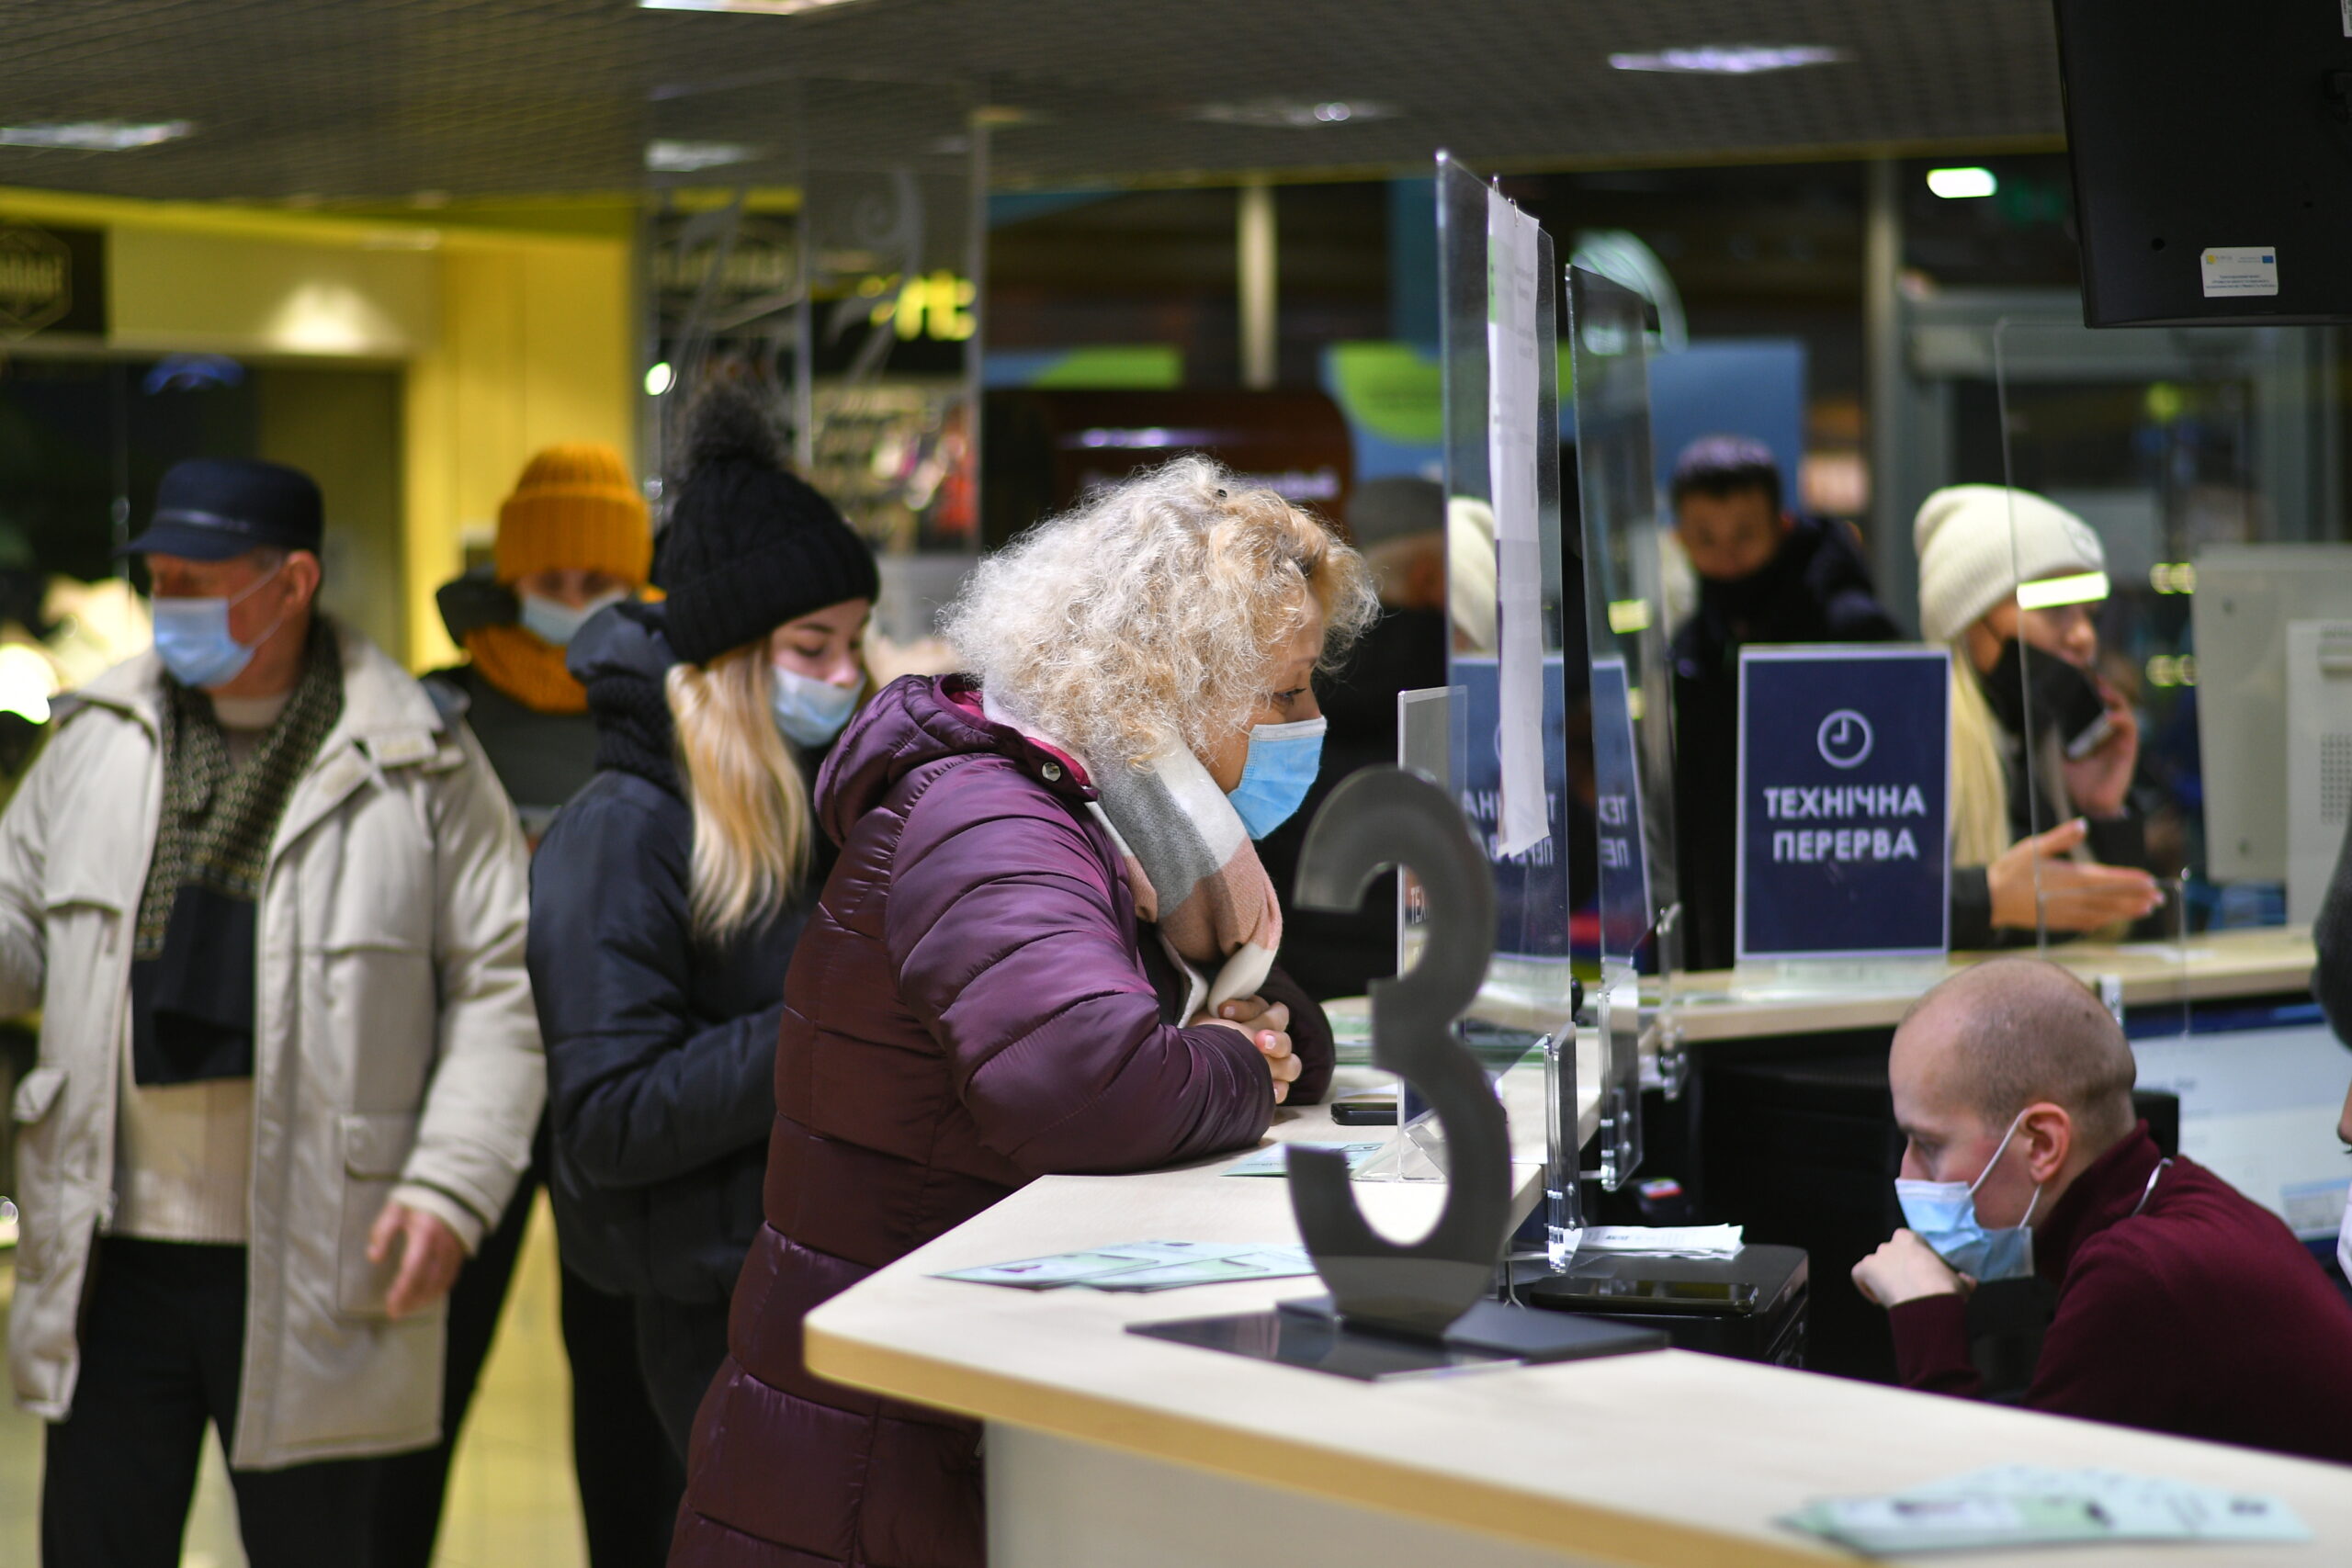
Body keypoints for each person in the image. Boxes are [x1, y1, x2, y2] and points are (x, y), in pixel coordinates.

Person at [669, 456, 1367, 1567]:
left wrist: (1259, 1044)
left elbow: (1243, 1013)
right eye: (1281, 694)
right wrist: (1241, 1063)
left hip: (933, 1413)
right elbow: (1088, 1082)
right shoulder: (991, 818)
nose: (1310, 720)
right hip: (875, 1455)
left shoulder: (1113, 820)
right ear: (1164, 682)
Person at [0, 457, 541, 1567]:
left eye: (194, 582)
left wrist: (451, 1184)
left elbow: (503, 987)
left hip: (323, 1254)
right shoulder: (97, 739)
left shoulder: (420, 762)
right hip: (109, 1258)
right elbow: (18, 934)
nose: (167, 605)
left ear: (291, 583)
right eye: (158, 578)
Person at [528, 383, 876, 1461]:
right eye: (811, 647)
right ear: (730, 661)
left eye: (856, 641)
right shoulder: (622, 829)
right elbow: (611, 1115)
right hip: (706, 1306)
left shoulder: (825, 794)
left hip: (829, 1270)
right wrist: (834, 1017)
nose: (845, 676)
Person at [376, 446, 677, 1568]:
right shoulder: (431, 715)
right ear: (510, 580)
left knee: (627, 1380)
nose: (577, 602)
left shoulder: (675, 708)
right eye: (554, 580)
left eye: (603, 581)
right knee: (423, 1368)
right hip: (460, 1072)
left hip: (628, 1072)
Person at [1853, 958, 2352, 1463]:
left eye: (1928, 1144)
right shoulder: (2186, 1198)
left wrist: (1925, 1311)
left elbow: (1995, 1500)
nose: (1908, 1174)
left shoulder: (2136, 1276)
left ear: (2042, 1144)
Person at [1666, 435, 1902, 971]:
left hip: (1840, 925)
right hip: (1717, 936)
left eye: (1745, 534)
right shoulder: (1691, 647)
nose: (1727, 557)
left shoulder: (1851, 629)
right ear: (1680, 538)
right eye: (1705, 537)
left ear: (1783, 526)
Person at [1912, 485, 2162, 948]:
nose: (2084, 636)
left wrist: (2102, 812)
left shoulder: (2048, 746)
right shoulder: (1908, 747)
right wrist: (1987, 899)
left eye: (2091, 613)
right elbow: (1848, 908)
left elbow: (2129, 943)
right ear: (1967, 620)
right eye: (2053, 607)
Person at [1255, 475, 1447, 998]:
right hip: (1417, 962)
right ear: (1429, 575)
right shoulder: (1451, 678)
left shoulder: (1296, 668)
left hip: (1297, 966)